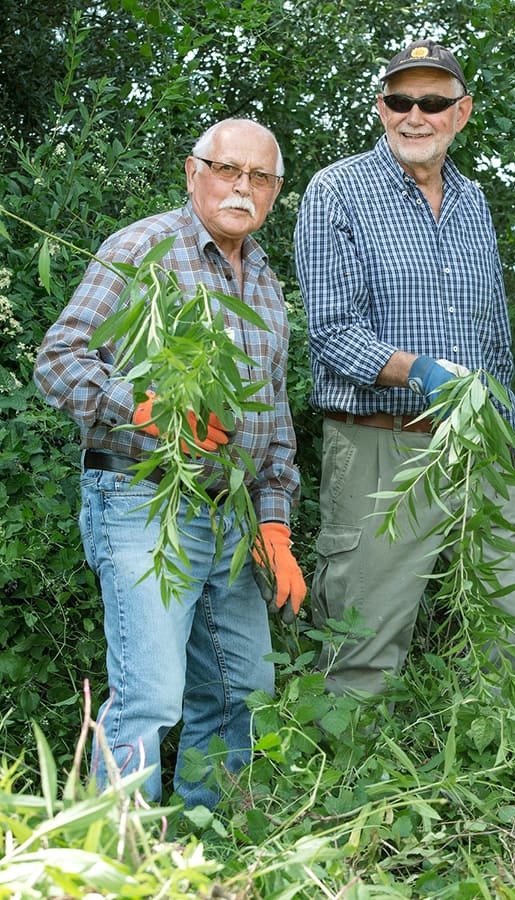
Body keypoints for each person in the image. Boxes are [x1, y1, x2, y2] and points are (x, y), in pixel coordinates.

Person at [34, 118, 307, 808]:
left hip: (232, 516)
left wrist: (275, 527)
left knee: (242, 691)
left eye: (260, 177)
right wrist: (150, 410)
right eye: (227, 170)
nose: (242, 188)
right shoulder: (144, 246)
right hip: (142, 499)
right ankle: (114, 855)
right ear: (193, 173)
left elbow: (273, 424)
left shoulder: (268, 283)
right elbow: (59, 361)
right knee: (150, 695)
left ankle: (210, 847)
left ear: (276, 191)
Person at [293, 39, 515, 696]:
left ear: (460, 113)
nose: (415, 115)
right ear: (381, 108)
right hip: (383, 444)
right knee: (362, 636)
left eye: (433, 102)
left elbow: (494, 339)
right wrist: (419, 371)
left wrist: (508, 435)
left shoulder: (474, 202)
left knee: (511, 627)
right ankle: (341, 781)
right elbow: (330, 333)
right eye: (400, 100)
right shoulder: (338, 190)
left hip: (480, 446)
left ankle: (514, 763)